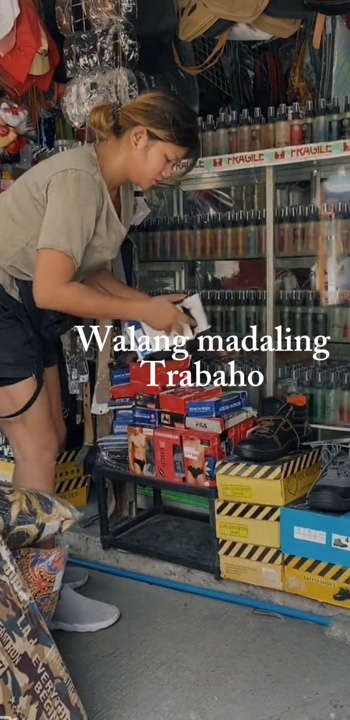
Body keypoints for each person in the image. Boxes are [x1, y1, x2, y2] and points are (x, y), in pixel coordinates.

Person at [0, 90, 199, 632]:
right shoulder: (77, 179)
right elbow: (52, 288)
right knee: (38, 446)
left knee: (52, 437)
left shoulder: (120, 191)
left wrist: (151, 307)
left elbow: (93, 273)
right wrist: (141, 311)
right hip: (10, 301)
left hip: (24, 306)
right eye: (168, 159)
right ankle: (36, 596)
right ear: (140, 138)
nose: (169, 172)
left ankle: (36, 573)